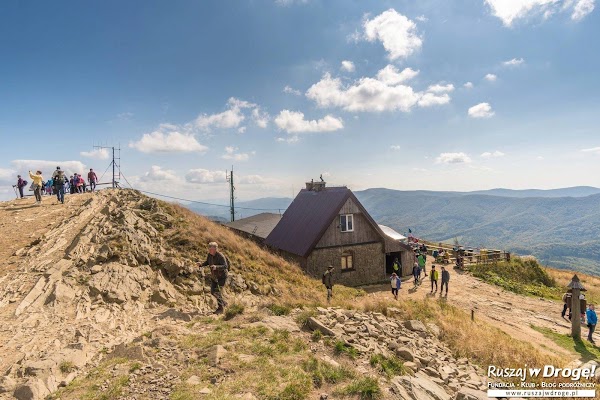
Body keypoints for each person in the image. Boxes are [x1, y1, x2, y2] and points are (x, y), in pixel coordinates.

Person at [198, 242, 229, 314]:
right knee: (212, 292)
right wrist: (201, 264)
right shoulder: (209, 255)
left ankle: (220, 309)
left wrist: (216, 267)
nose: (209, 250)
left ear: (215, 249)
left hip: (222, 276)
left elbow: (225, 266)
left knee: (217, 292)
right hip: (214, 276)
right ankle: (224, 303)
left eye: (211, 248)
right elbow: (207, 262)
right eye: (209, 248)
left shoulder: (220, 256)